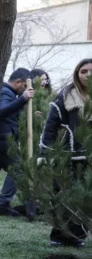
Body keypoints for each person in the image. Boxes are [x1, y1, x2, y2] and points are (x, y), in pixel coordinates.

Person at [40, 58, 91, 247]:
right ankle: (59, 235)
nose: (87, 75)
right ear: (77, 74)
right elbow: (50, 127)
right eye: (83, 71)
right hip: (67, 156)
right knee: (62, 196)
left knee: (85, 197)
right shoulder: (65, 96)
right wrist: (45, 152)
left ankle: (78, 236)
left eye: (90, 71)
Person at [0, 68, 35, 216]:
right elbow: (1, 112)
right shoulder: (6, 92)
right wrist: (23, 98)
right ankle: (3, 203)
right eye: (25, 86)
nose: (25, 90)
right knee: (19, 169)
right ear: (19, 82)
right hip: (4, 139)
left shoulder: (5, 92)